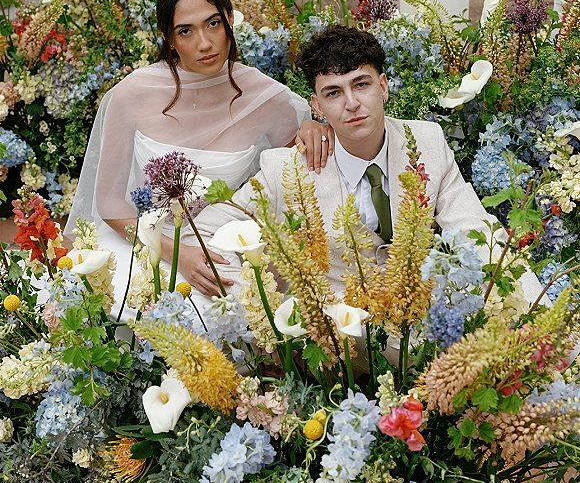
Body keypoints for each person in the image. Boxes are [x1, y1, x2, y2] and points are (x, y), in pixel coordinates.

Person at [194, 25, 544, 305]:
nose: (352, 104)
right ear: (316, 107)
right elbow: (207, 230)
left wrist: (537, 311)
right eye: (333, 93)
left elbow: (477, 232)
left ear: (383, 87)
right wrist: (263, 314)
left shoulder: (428, 143)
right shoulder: (285, 168)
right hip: (337, 342)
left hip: (421, 323)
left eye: (360, 85)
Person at [65, 0, 329, 316]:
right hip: (142, 242)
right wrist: (179, 255)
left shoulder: (267, 99)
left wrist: (312, 126)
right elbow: (111, 204)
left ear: (231, 18)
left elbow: (291, 176)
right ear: (168, 38)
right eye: (185, 31)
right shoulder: (132, 95)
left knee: (224, 316)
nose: (204, 43)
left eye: (213, 23)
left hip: (217, 246)